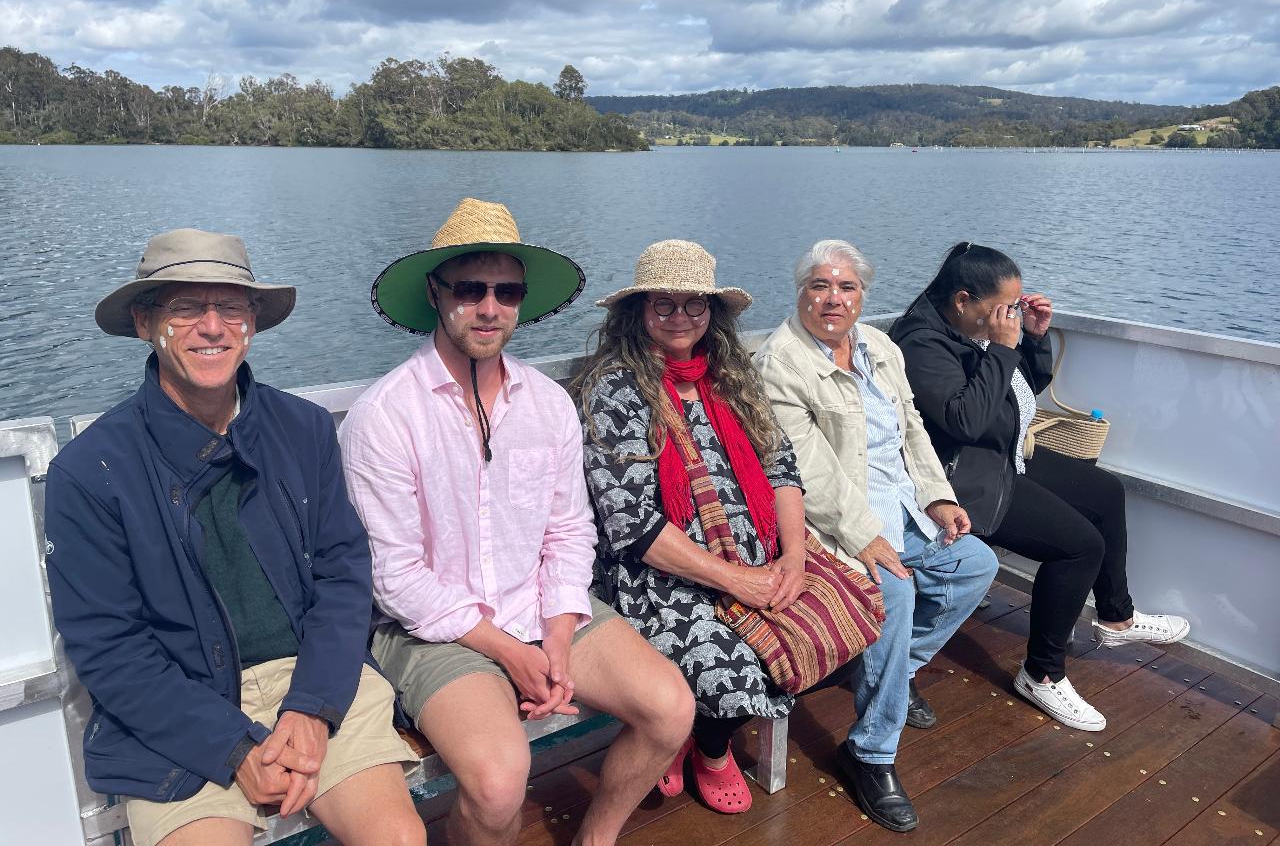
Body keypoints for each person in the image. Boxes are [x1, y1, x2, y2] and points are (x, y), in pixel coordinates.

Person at [43, 229, 423, 846]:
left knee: (398, 838)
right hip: (180, 707)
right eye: (186, 307)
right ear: (145, 322)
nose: (212, 327)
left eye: (232, 308)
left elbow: (342, 572)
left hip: (313, 672)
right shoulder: (91, 471)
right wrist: (231, 745)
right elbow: (110, 646)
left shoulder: (302, 429)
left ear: (253, 323)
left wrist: (313, 707)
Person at [339, 199, 694, 846]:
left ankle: (597, 837)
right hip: (431, 631)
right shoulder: (384, 418)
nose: (489, 307)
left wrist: (556, 639)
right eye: (470, 289)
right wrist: (509, 652)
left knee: (671, 709)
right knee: (501, 781)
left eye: (507, 292)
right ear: (435, 294)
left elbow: (567, 531)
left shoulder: (549, 404)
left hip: (538, 605)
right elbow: (395, 577)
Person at [890, 242, 1191, 732]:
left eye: (1017, 305)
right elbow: (964, 420)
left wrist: (1030, 339)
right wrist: (1004, 347)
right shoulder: (922, 343)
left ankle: (1117, 619)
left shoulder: (971, 325)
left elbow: (1020, 387)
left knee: (1104, 493)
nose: (1010, 314)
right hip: (960, 476)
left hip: (1001, 454)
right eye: (1005, 308)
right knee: (1078, 546)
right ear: (963, 299)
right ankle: (1042, 674)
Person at [753, 239, 997, 833]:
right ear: (800, 292)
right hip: (832, 529)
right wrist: (866, 538)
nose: (833, 299)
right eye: (820, 286)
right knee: (897, 592)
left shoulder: (880, 348)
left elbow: (912, 430)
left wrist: (939, 497)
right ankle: (870, 753)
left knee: (974, 566)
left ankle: (893, 673)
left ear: (862, 296)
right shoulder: (781, 363)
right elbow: (809, 472)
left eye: (846, 288)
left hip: (904, 510)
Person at [573, 239, 808, 816]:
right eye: (665, 305)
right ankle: (703, 742)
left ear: (714, 313)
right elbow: (631, 524)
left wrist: (794, 559)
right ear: (637, 313)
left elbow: (782, 467)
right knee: (732, 667)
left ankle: (702, 738)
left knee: (809, 640)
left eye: (695, 305)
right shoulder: (618, 388)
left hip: (756, 557)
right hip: (657, 576)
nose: (682, 318)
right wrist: (736, 580)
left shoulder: (731, 376)